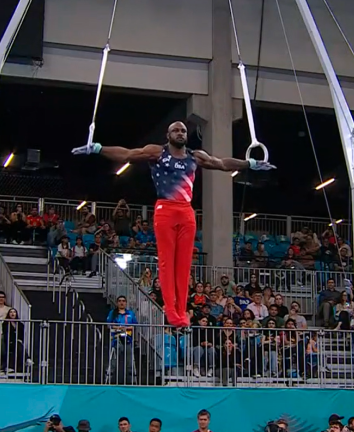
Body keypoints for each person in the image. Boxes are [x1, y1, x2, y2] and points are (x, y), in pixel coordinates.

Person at [72, 121, 275, 327]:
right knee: (167, 262)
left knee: (184, 264)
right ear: (167, 135)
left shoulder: (195, 156)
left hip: (186, 212)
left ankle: (181, 310)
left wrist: (249, 164)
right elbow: (127, 155)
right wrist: (97, 148)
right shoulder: (157, 152)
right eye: (176, 130)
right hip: (165, 210)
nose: (180, 133)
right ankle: (171, 312)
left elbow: (222, 164)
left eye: (183, 131)